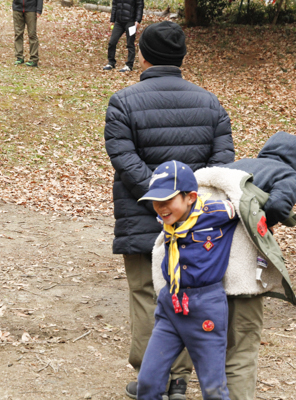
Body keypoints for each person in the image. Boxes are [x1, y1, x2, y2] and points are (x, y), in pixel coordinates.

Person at [104, 20, 234, 400]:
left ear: (143, 55)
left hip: (141, 214)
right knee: (188, 290)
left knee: (147, 291)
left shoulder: (123, 102)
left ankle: (155, 376)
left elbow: (124, 159)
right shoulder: (210, 103)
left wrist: (160, 201)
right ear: (181, 56)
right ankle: (178, 378)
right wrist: (185, 202)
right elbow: (222, 160)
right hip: (197, 221)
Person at [136, 161, 238, 400]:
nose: (160, 208)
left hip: (206, 308)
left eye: (167, 200)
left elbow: (250, 207)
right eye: (156, 201)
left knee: (213, 388)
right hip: (171, 305)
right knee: (148, 381)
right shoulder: (168, 219)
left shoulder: (218, 213)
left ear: (191, 197)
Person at [222, 131, 296, 399]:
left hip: (199, 255)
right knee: (243, 339)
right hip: (240, 262)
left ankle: (171, 384)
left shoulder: (236, 166)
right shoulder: (289, 176)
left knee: (191, 325)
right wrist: (261, 224)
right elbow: (280, 205)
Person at [102, 0, 143, 72]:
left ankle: (129, 65)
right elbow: (114, 6)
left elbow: (140, 6)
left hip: (131, 22)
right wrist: (112, 20)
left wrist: (138, 21)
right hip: (119, 22)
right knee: (112, 42)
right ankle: (111, 63)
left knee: (130, 44)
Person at [12, 0, 42, 67]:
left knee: (32, 34)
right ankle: (19, 57)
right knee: (18, 33)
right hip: (17, 8)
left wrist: (39, 9)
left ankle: (34, 59)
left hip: (31, 9)